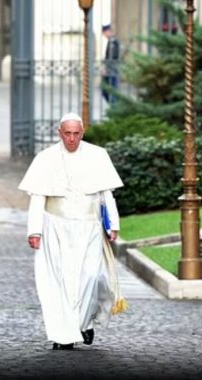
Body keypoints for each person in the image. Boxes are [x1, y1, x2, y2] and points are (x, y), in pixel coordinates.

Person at [18, 112, 128, 351]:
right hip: (55, 228)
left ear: (82, 133)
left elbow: (106, 194)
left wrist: (113, 225)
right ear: (60, 133)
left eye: (75, 133)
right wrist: (34, 231)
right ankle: (63, 335)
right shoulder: (45, 159)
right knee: (59, 283)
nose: (71, 139)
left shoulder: (97, 156)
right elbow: (38, 197)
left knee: (90, 278)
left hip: (89, 227)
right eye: (66, 133)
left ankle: (84, 323)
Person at [101, 24, 120, 104]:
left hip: (112, 70)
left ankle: (114, 109)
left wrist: (106, 68)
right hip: (109, 70)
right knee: (105, 90)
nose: (104, 35)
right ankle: (113, 108)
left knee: (112, 91)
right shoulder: (110, 41)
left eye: (104, 32)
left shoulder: (113, 42)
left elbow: (113, 57)